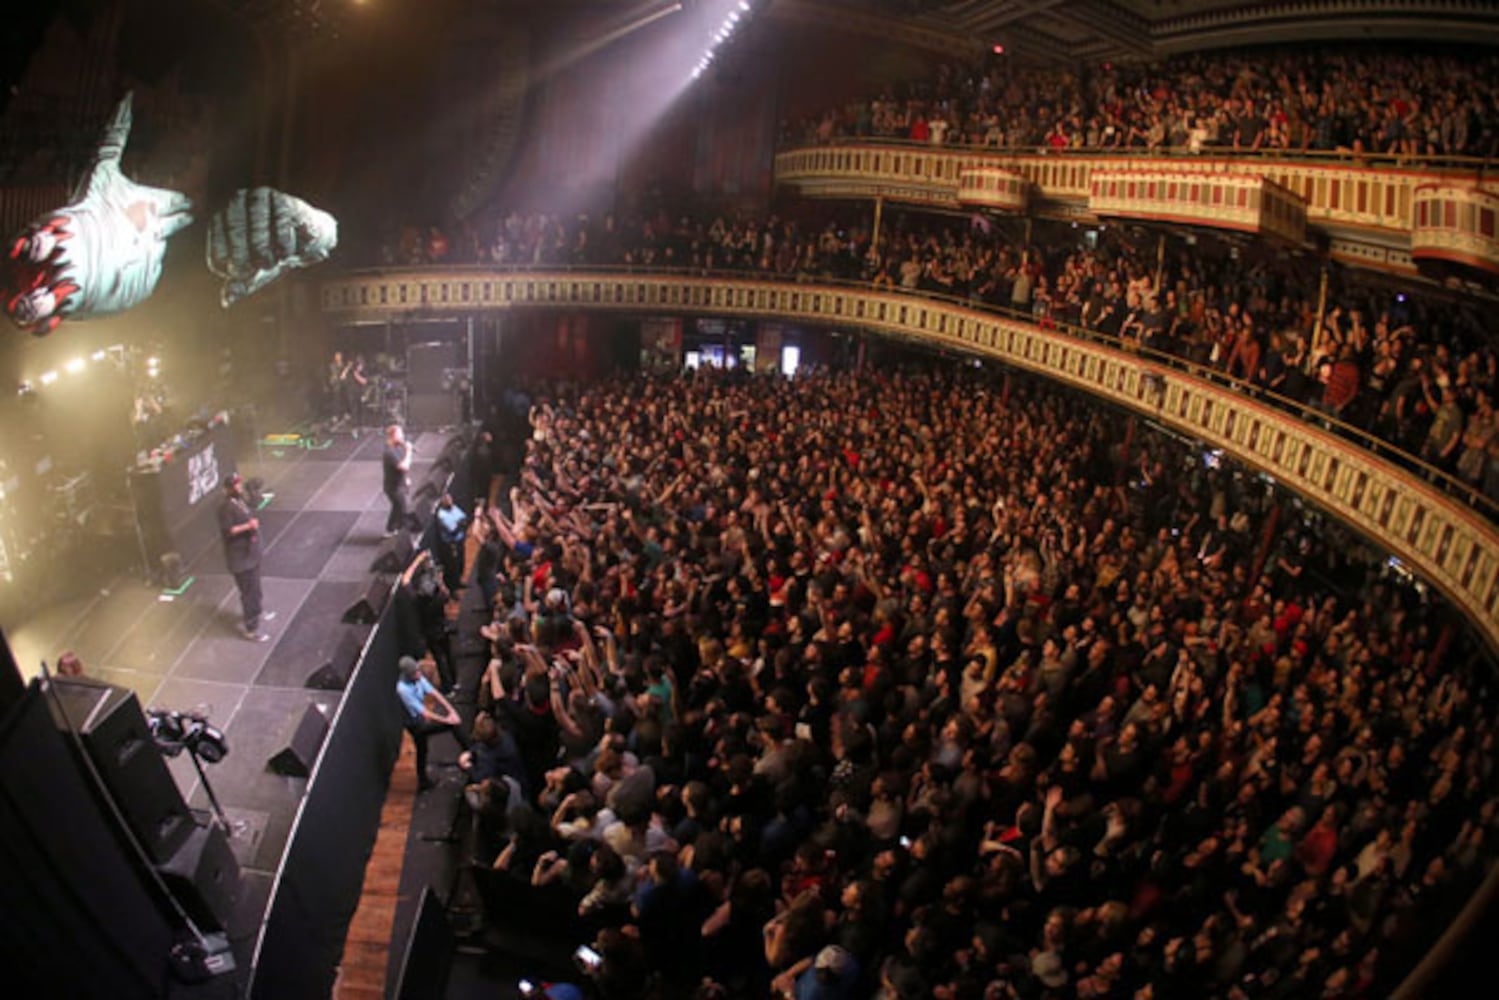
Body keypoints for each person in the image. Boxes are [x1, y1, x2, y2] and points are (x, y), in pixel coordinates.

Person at [396, 654, 469, 792]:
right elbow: (424, 712)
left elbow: (434, 693)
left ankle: (423, 781)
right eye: (415, 673)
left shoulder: (416, 676)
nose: (419, 675)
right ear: (408, 675)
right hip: (414, 723)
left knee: (422, 749)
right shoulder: (402, 689)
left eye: (418, 671)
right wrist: (448, 719)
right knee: (424, 745)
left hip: (420, 718)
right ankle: (470, 750)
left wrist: (451, 711)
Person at [218, 472, 274, 641]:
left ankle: (256, 611)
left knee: (255, 590)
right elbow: (228, 531)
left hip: (251, 555)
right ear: (228, 489)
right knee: (249, 593)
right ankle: (252, 628)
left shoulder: (240, 501)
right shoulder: (225, 508)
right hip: (241, 559)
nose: (239, 487)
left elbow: (251, 508)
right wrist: (248, 526)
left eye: (239, 484)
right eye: (236, 485)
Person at [383, 423, 414, 538]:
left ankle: (390, 530)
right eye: (400, 435)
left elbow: (402, 467)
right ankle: (402, 533)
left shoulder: (397, 448)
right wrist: (409, 451)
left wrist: (405, 478)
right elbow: (404, 466)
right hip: (393, 488)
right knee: (402, 509)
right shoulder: (389, 453)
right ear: (393, 436)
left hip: (399, 485)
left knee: (396, 508)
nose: (403, 438)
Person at [435, 493, 468, 593]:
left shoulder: (453, 507)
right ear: (443, 503)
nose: (451, 502)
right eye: (448, 501)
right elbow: (453, 530)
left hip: (460, 541)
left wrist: (459, 524)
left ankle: (458, 582)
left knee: (460, 563)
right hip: (451, 544)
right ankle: (453, 590)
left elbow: (464, 518)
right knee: (452, 567)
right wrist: (460, 524)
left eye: (451, 500)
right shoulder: (441, 515)